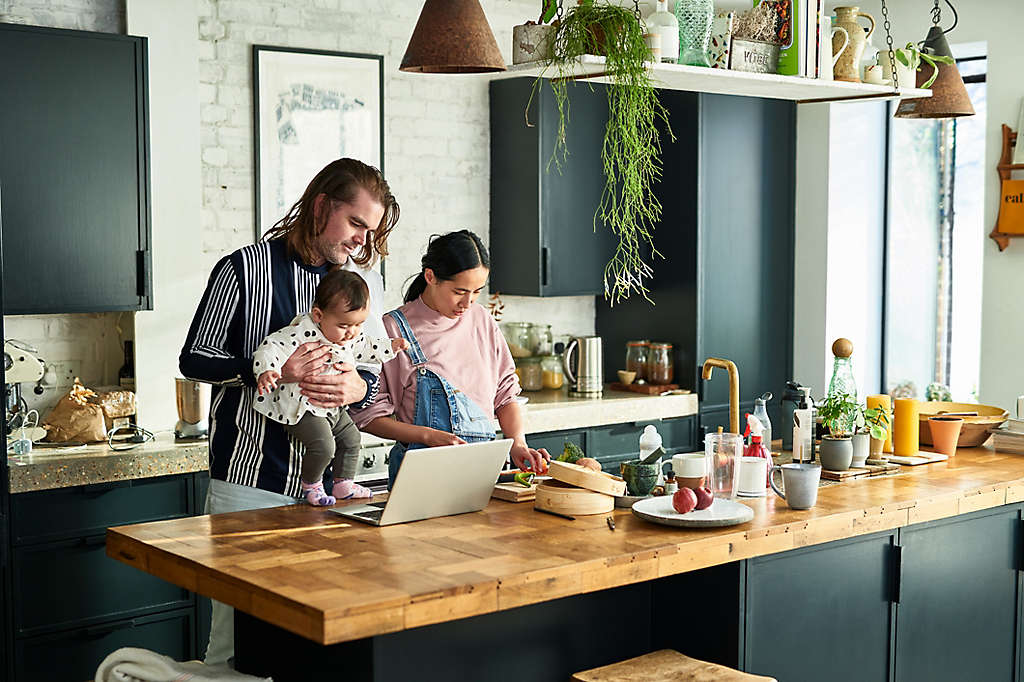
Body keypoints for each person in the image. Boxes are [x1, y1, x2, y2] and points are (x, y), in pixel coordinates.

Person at [179, 158, 399, 667]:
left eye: (370, 231)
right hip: (250, 483)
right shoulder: (243, 270)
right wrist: (275, 372)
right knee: (234, 647)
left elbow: (365, 378)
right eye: (356, 224)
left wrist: (354, 387)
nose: (361, 242)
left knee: (311, 650)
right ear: (322, 207)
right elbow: (195, 360)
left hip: (324, 500)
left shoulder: (358, 287)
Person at [352, 230, 550, 486]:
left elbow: (505, 393)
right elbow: (367, 417)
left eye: (477, 291)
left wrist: (518, 444)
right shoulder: (392, 329)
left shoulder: (482, 320)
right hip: (421, 477)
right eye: (459, 291)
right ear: (430, 276)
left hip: (481, 473)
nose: (467, 303)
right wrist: (428, 436)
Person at [253, 270, 408, 505]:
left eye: (359, 324)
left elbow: (367, 347)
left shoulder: (350, 336)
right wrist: (267, 370)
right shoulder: (300, 333)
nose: (352, 332)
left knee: (352, 438)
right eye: (345, 325)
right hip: (302, 407)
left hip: (334, 409)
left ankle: (343, 483)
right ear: (318, 315)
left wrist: (391, 346)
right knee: (324, 446)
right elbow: (270, 347)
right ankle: (312, 485)